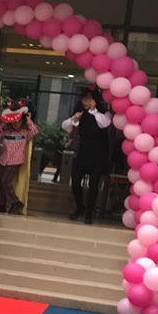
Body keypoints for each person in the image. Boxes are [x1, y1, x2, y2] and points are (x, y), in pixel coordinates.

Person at [62, 89, 112, 224]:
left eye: (88, 99)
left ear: (94, 100)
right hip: (83, 152)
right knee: (75, 181)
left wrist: (93, 111)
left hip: (99, 153)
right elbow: (65, 126)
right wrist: (74, 119)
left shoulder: (104, 113)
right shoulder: (80, 113)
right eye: (83, 99)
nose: (85, 102)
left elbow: (105, 124)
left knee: (94, 184)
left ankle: (89, 213)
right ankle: (80, 207)